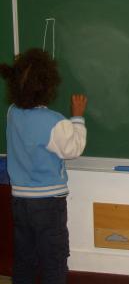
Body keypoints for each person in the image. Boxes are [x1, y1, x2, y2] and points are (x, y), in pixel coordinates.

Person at [0, 48, 87, 284]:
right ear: (48, 87)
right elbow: (73, 149)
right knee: (54, 260)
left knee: (24, 259)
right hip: (47, 203)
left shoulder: (12, 113)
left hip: (20, 200)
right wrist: (77, 117)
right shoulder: (53, 121)